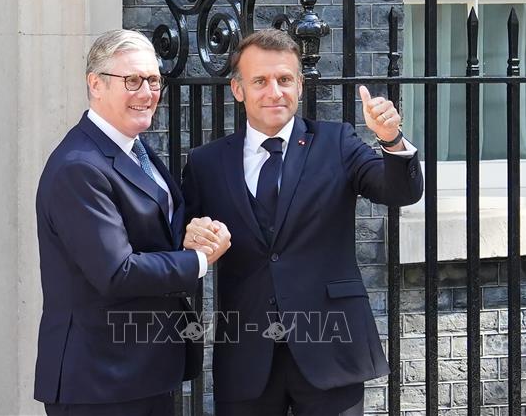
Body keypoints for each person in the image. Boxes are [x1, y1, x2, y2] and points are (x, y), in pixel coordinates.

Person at [181, 28, 423, 416]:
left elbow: (399, 191)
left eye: (284, 79)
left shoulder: (337, 142)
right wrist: (190, 237)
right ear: (238, 89)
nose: (274, 91)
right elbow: (182, 238)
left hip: (331, 349)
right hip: (246, 355)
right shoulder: (205, 163)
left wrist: (391, 140)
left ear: (300, 85)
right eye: (260, 81)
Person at [33, 29, 230, 416]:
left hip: (141, 372)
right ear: (96, 84)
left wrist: (191, 234)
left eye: (154, 80)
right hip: (99, 381)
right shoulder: (78, 167)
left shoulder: (133, 147)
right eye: (133, 80)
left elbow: (152, 230)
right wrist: (199, 260)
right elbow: (116, 272)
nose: (147, 92)